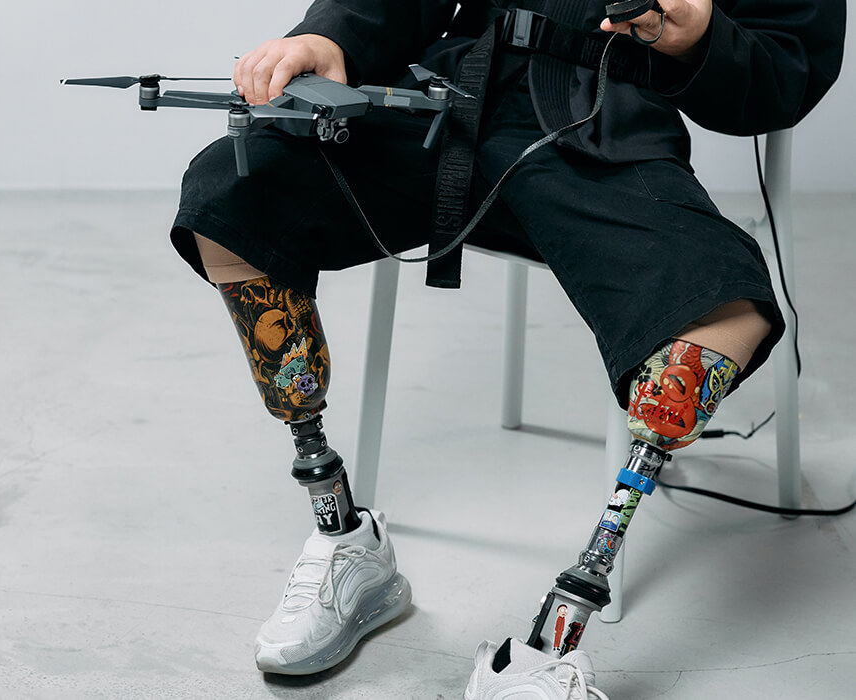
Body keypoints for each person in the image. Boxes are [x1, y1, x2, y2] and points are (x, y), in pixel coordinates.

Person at [168, 0, 844, 696]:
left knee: (717, 312)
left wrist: (698, 35)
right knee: (231, 194)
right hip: (439, 108)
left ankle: (557, 635)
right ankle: (343, 538)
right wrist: (328, 36)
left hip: (599, 133)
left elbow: (784, 66)